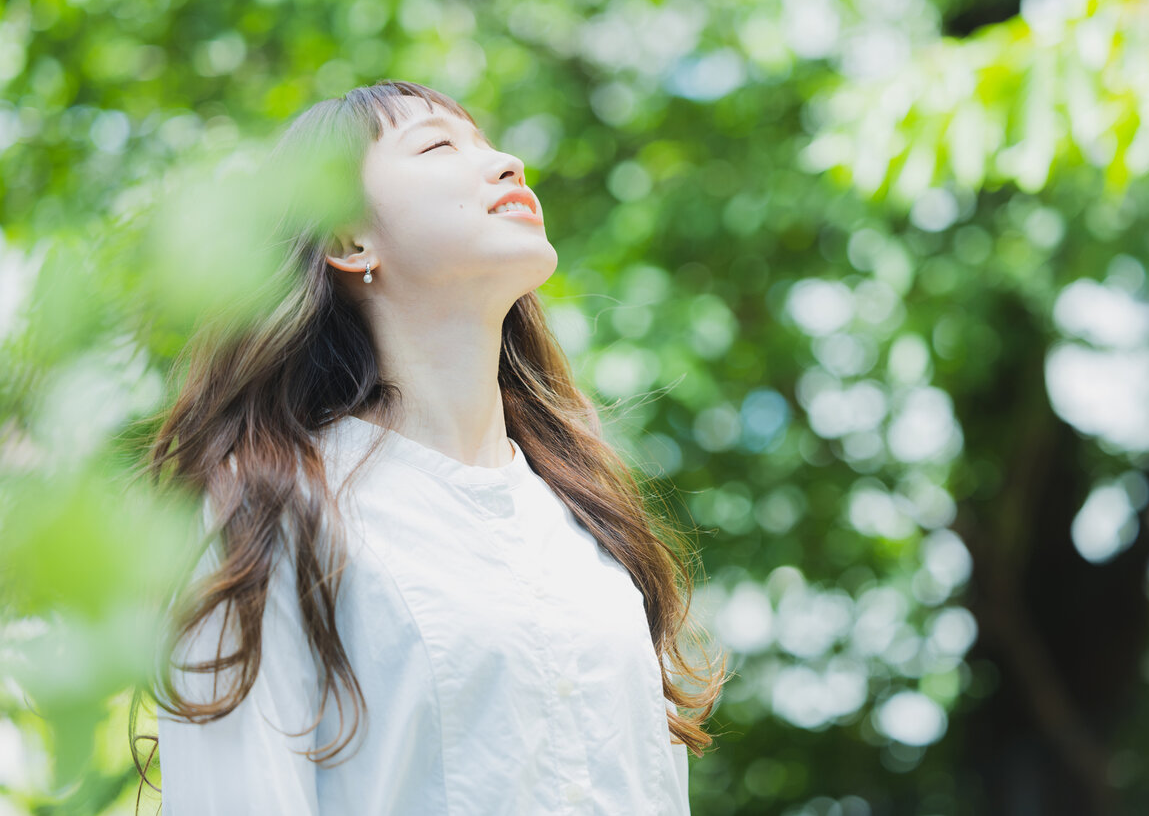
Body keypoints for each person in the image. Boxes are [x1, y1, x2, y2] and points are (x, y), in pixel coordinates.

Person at [131, 79, 726, 815]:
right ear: (350, 239)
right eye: (439, 146)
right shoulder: (269, 508)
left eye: (489, 141)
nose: (508, 162)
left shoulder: (590, 520)